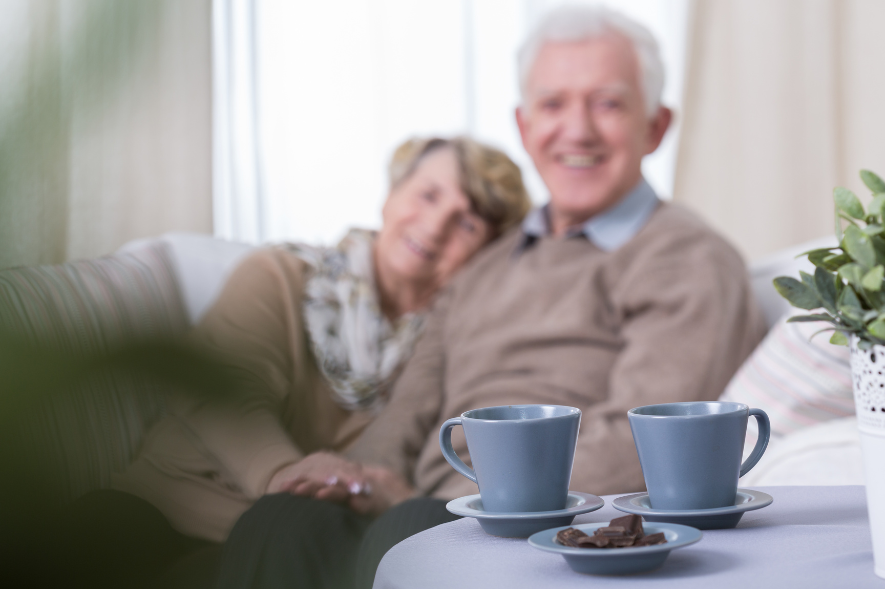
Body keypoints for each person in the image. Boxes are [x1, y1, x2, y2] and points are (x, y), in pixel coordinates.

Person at [343, 4, 768, 533]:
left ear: (656, 127)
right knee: (282, 519)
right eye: (552, 104)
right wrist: (351, 479)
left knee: (395, 531)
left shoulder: (688, 258)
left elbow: (641, 448)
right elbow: (407, 412)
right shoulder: (483, 264)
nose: (577, 131)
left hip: (543, 521)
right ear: (524, 127)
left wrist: (457, 506)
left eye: (608, 104)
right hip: (418, 508)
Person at [51, 136, 531, 589]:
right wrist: (283, 474)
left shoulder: (450, 353)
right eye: (427, 195)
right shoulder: (281, 276)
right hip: (161, 513)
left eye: (467, 222)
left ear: (486, 253)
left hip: (281, 547)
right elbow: (224, 390)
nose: (437, 224)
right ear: (389, 196)